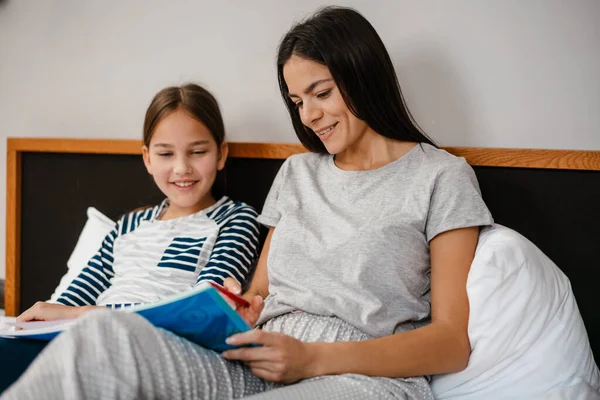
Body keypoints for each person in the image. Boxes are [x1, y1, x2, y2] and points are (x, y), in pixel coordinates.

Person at [1, 6, 493, 400]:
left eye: (320, 93)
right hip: (259, 356)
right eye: (298, 101)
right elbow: (257, 298)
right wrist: (231, 310)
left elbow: (451, 342)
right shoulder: (298, 173)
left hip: (361, 374)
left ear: (363, 75)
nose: (310, 115)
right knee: (103, 344)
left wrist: (312, 358)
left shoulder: (440, 177)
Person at [0, 83, 260, 393]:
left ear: (221, 153)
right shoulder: (129, 224)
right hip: (91, 333)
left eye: (198, 151)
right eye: (166, 153)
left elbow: (197, 313)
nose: (181, 167)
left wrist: (82, 315)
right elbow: (76, 294)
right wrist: (43, 319)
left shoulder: (236, 219)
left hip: (154, 346)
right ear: (148, 159)